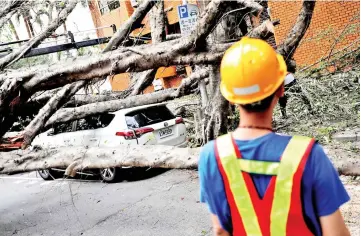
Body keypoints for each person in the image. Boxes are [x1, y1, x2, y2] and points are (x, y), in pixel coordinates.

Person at [198, 37, 350, 236]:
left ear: (230, 97)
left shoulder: (212, 155)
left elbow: (220, 230)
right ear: (280, 89)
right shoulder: (309, 155)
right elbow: (335, 233)